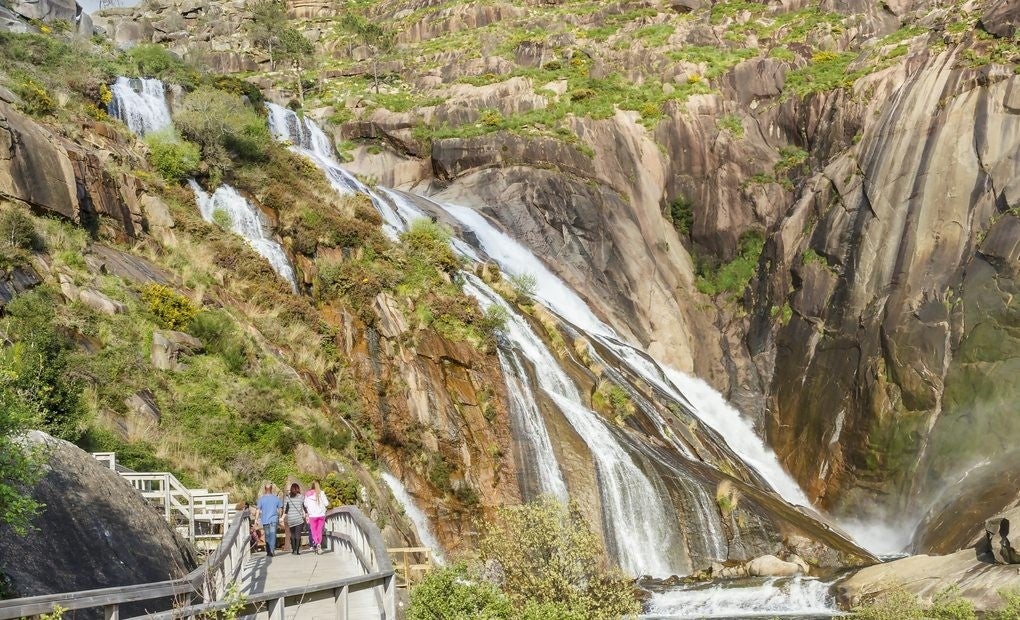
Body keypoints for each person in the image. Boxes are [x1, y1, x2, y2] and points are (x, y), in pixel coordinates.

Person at [255, 484, 283, 557]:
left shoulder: (261, 499)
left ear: (265, 489)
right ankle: (272, 550)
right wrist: (280, 517)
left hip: (265, 520)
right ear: (271, 489)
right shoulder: (276, 498)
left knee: (267, 535)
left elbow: (258, 509)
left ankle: (268, 551)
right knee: (273, 535)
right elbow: (280, 508)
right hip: (274, 519)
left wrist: (256, 519)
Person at [303, 480, 330, 555]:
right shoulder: (321, 493)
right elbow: (326, 504)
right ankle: (319, 545)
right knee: (319, 531)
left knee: (314, 531)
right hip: (321, 515)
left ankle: (317, 543)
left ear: (312, 486)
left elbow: (305, 504)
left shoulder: (308, 494)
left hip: (312, 516)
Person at [284, 482, 307, 555]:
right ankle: (297, 551)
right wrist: (306, 514)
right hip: (299, 519)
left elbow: (285, 509)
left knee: (292, 534)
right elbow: (304, 507)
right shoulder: (301, 497)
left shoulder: (287, 498)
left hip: (290, 518)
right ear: (298, 489)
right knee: (298, 534)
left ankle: (293, 550)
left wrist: (282, 518)